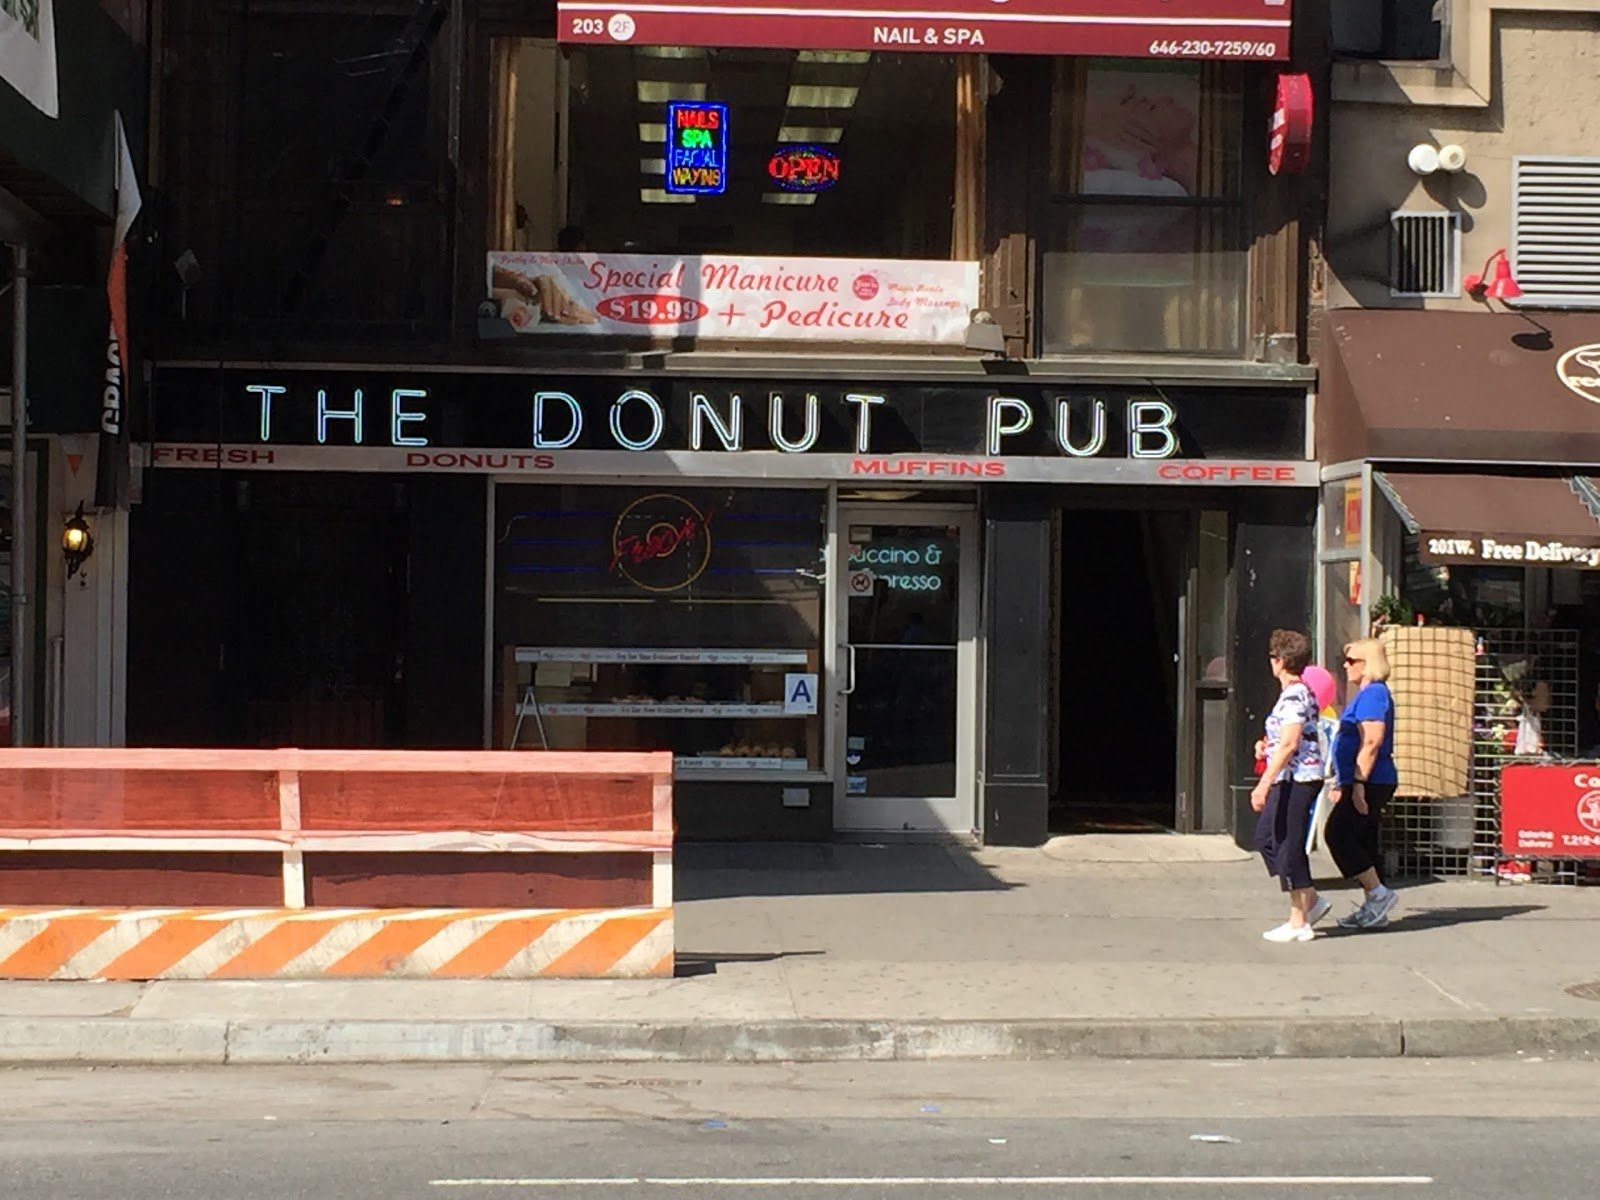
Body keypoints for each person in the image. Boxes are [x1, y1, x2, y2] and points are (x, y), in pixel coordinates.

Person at [1251, 628, 1331, 943]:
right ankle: (1308, 896)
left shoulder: (1296, 694)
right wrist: (1264, 745)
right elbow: (1281, 739)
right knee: (1268, 839)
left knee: (1288, 843)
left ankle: (1299, 918)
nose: (1271, 663)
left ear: (1281, 661)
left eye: (1273, 657)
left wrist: (1263, 782)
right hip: (1289, 776)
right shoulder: (1291, 694)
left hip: (1298, 777)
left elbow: (1290, 742)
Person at [1325, 639, 1401, 930]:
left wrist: (1357, 783)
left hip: (1371, 779)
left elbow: (1371, 741)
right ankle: (1374, 904)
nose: (1345, 666)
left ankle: (1379, 894)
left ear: (1368, 663)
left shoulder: (1373, 695)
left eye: (1352, 661)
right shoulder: (1367, 694)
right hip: (1363, 779)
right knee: (1364, 840)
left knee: (1339, 835)